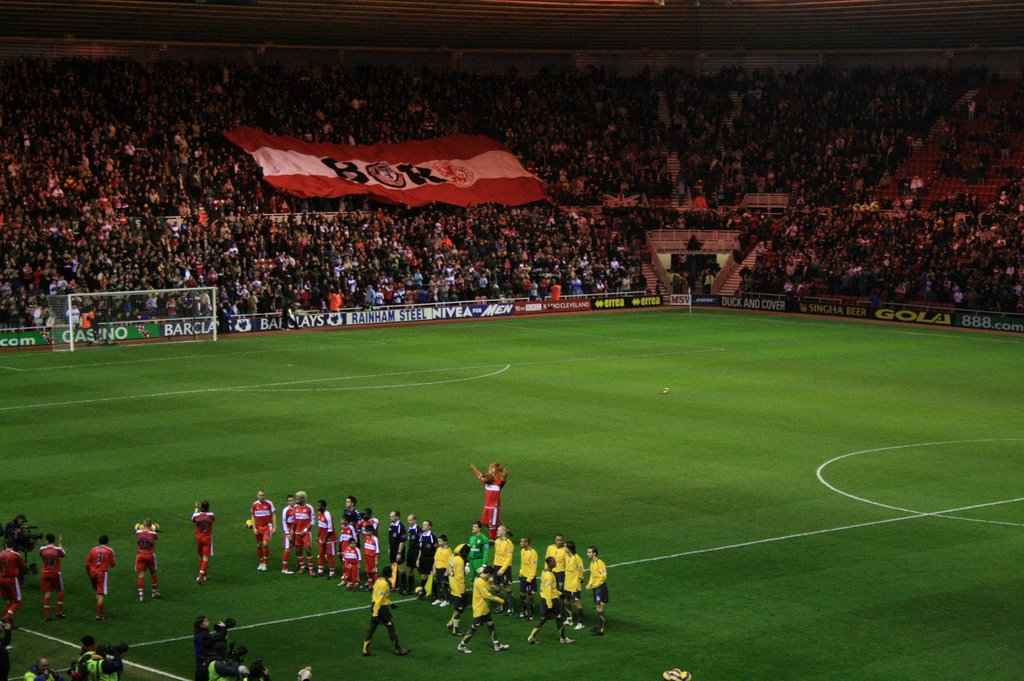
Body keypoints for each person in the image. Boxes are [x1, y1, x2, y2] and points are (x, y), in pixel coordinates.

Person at [456, 565, 510, 654]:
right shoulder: (480, 582)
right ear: (488, 574)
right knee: (474, 628)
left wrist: (490, 583)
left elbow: (488, 589)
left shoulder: (482, 579)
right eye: (491, 575)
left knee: (490, 624)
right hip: (479, 609)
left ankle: (496, 644)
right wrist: (501, 600)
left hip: (484, 609)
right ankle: (461, 646)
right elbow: (487, 595)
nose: (491, 577)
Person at [361, 566, 409, 657]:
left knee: (372, 628)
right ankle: (398, 649)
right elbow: (380, 599)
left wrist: (390, 603)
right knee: (391, 627)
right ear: (389, 574)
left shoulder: (378, 580)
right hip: (381, 609)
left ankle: (365, 650)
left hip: (374, 606)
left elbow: (378, 597)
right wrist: (375, 614)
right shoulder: (384, 584)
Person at [527, 557, 574, 645]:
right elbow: (548, 590)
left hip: (544, 599)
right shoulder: (549, 575)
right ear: (549, 563)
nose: (555, 562)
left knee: (543, 618)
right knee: (559, 617)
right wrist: (549, 603)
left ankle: (531, 637)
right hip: (550, 600)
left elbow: (551, 588)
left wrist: (560, 594)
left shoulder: (545, 572)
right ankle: (563, 639)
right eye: (553, 561)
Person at [469, 462, 508, 541]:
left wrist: (505, 474)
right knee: (483, 522)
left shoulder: (498, 484)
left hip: (494, 508)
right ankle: (499, 529)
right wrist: (474, 469)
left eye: (486, 478)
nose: (484, 478)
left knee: (492, 524)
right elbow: (479, 475)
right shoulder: (486, 483)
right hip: (486, 506)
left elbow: (503, 479)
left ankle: (492, 539)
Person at [85, 536, 115, 620]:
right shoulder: (109, 550)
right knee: (101, 593)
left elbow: (87, 564)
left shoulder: (93, 550)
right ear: (107, 542)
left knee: (97, 590)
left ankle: (98, 608)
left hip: (92, 573)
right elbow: (113, 564)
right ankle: (99, 615)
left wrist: (88, 572)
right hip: (101, 574)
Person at [445, 543, 471, 636]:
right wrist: (462, 588)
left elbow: (448, 572)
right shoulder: (460, 561)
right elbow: (460, 577)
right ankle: (455, 630)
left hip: (452, 585)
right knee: (459, 609)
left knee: (460, 607)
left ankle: (450, 623)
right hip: (458, 587)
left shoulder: (452, 557)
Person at [38, 534, 66, 619]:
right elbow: (63, 554)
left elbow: (42, 556)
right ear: (53, 540)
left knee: (47, 593)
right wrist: (60, 543)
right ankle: (59, 612)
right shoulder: (57, 550)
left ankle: (47, 615)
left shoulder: (41, 549)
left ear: (46, 540)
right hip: (55, 573)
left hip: (45, 574)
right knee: (60, 591)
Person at [289, 492, 315, 576]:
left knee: (308, 550)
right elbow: (294, 520)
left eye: (297, 498)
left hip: (306, 533)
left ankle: (311, 569)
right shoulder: (295, 507)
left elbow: (312, 521)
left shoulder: (309, 508)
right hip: (297, 533)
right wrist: (292, 530)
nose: (296, 500)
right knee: (298, 550)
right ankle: (302, 568)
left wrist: (305, 530)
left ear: (302, 499)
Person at [491, 525, 515, 615]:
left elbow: (509, 558)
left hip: (505, 568)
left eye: (499, 530)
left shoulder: (509, 543)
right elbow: (496, 555)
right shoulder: (496, 541)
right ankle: (499, 606)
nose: (497, 531)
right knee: (496, 586)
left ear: (504, 532)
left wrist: (502, 570)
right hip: (496, 566)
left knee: (507, 588)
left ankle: (510, 608)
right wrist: (494, 566)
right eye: (497, 530)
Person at [1, 539, 26, 624]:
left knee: (8, 600)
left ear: (6, 545)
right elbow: (23, 566)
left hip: (2, 579)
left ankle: (10, 622)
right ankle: (6, 618)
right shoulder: (16, 555)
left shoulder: (0, 554)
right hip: (11, 579)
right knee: (17, 602)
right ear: (13, 545)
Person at [250, 490, 276, 572]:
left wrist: (275, 527)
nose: (262, 497)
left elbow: (274, 515)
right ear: (257, 496)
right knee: (259, 545)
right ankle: (261, 562)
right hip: (258, 527)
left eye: (263, 495)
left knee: (265, 544)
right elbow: (253, 516)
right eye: (260, 495)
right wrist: (254, 528)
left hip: (267, 527)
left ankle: (265, 563)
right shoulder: (254, 504)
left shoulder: (269, 503)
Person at [135, 519, 160, 601]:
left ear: (143, 525)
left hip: (140, 555)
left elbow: (138, 533)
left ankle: (141, 596)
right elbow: (156, 538)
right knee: (153, 573)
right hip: (150, 555)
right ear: (151, 525)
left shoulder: (138, 532)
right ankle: (154, 592)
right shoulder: (153, 534)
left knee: (141, 575)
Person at [562, 541, 585, 629]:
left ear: (569, 548)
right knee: (566, 601)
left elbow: (581, 569)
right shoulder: (567, 556)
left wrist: (580, 578)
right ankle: (569, 619)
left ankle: (581, 623)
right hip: (567, 584)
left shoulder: (577, 558)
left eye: (565, 547)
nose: (563, 548)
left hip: (574, 585)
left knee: (576, 603)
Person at [192, 501, 215, 584]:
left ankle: (204, 575)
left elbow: (193, 520)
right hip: (207, 538)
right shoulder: (211, 515)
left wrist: (197, 509)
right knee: (206, 557)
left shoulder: (196, 515)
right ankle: (200, 576)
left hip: (198, 538)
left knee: (200, 556)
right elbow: (213, 520)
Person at [586, 545, 608, 636]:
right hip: (596, 588)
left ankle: (601, 630)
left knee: (600, 607)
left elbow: (604, 576)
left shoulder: (600, 563)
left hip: (600, 588)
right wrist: (589, 584)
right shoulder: (592, 563)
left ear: (594, 553)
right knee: (597, 607)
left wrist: (595, 584)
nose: (587, 554)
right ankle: (599, 626)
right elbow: (592, 575)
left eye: (589, 552)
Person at [517, 536, 538, 620]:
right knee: (521, 594)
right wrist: (520, 573)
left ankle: (531, 614)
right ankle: (524, 611)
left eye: (522, 542)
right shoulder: (522, 551)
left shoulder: (533, 553)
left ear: (526, 543)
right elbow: (522, 564)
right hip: (523, 576)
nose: (520, 543)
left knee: (530, 595)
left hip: (530, 578)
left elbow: (534, 567)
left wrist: (529, 579)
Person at [415, 520, 437, 599]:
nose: (423, 526)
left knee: (430, 576)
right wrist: (418, 559)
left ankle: (432, 594)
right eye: (423, 525)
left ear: (429, 527)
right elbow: (420, 549)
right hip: (422, 558)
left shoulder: (432, 537)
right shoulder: (422, 536)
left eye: (425, 525)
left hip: (430, 558)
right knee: (423, 576)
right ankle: (424, 592)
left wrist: (435, 561)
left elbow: (436, 550)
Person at [315, 500, 336, 578]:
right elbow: (320, 526)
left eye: (319, 506)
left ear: (323, 506)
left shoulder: (328, 515)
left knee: (329, 556)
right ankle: (320, 571)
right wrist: (318, 536)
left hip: (329, 539)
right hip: (322, 539)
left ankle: (332, 573)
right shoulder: (319, 514)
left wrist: (325, 540)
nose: (317, 507)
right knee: (320, 554)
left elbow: (330, 530)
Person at [430, 535, 452, 607]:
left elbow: (450, 562)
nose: (439, 543)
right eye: (438, 541)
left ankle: (447, 600)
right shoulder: (438, 549)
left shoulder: (448, 550)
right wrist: (434, 569)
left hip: (444, 569)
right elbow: (435, 560)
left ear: (445, 542)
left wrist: (447, 571)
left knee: (445, 585)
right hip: (438, 569)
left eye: (440, 541)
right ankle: (440, 599)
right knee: (438, 584)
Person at [386, 511, 405, 589]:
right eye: (390, 516)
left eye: (392, 516)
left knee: (400, 568)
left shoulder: (401, 527)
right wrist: (389, 548)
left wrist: (399, 553)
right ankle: (395, 585)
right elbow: (390, 539)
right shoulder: (391, 525)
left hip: (398, 550)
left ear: (397, 517)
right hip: (392, 549)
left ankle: (403, 586)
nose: (390, 518)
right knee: (394, 567)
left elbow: (402, 541)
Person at [401, 514, 419, 595]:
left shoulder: (418, 530)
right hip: (410, 552)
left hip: (416, 552)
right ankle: (410, 589)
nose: (408, 522)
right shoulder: (409, 529)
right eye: (408, 520)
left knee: (420, 570)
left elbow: (420, 541)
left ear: (414, 520)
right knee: (410, 570)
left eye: (410, 520)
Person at [280, 494, 296, 574]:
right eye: (289, 500)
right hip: (289, 532)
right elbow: (283, 522)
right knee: (287, 549)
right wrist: (287, 533)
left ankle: (300, 564)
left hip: (296, 531)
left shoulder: (296, 508)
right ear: (287, 502)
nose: (291, 502)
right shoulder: (286, 510)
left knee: (298, 547)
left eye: (292, 500)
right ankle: (284, 568)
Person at [361, 526, 380, 590]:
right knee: (368, 571)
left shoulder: (375, 539)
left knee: (374, 572)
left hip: (372, 558)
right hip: (367, 558)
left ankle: (377, 585)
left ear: (371, 531)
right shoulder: (366, 538)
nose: (366, 532)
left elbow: (377, 550)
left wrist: (376, 559)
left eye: (368, 531)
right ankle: (370, 586)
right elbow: (365, 548)